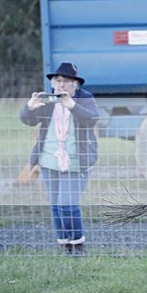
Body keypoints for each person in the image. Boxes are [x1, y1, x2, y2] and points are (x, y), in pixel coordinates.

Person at [20, 63, 99, 255]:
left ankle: (78, 245)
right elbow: (28, 121)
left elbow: (91, 119)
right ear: (53, 83)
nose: (62, 85)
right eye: (58, 81)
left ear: (75, 84)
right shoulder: (48, 100)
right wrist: (30, 108)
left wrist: (72, 106)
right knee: (56, 205)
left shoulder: (85, 98)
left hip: (76, 162)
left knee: (67, 204)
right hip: (49, 161)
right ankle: (64, 245)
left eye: (67, 81)